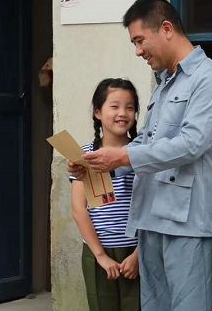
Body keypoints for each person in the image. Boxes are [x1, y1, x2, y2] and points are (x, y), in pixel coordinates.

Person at [72, 0, 212, 311]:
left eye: (140, 40)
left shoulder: (209, 78)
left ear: (167, 29)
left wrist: (122, 158)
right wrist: (99, 164)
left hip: (190, 225)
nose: (138, 51)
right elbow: (145, 141)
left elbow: (192, 143)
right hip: (152, 220)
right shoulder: (164, 85)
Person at [70, 78, 142, 311]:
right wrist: (100, 255)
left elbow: (154, 206)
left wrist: (140, 254)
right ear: (98, 112)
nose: (122, 113)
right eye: (114, 106)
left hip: (137, 252)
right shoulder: (85, 155)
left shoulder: (143, 154)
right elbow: (79, 209)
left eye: (129, 107)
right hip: (98, 252)